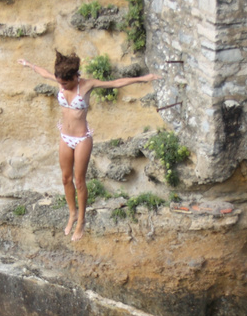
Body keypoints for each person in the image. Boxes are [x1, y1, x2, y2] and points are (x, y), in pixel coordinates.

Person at [19, 52, 157, 242]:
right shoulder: (61, 80)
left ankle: (82, 220)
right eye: (60, 82)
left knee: (79, 180)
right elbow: (44, 74)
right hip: (65, 137)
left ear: (75, 77)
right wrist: (29, 64)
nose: (62, 86)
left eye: (65, 83)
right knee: (66, 178)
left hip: (82, 139)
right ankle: (72, 214)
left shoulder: (87, 85)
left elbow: (116, 83)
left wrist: (144, 78)